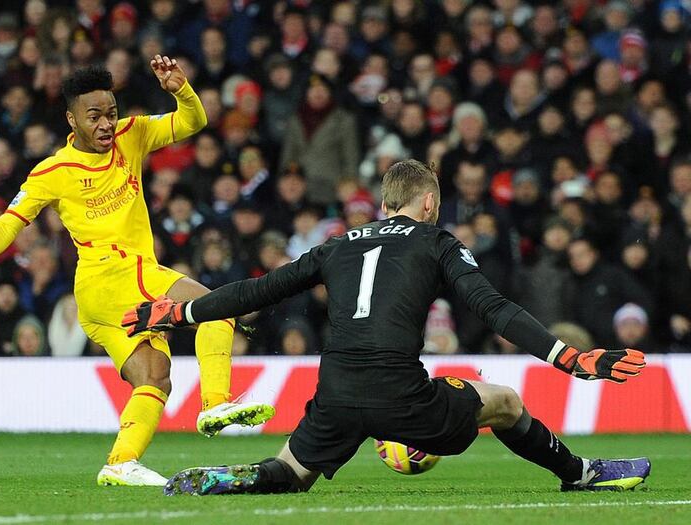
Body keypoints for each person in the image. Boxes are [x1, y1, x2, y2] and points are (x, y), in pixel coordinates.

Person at [123, 160, 650, 496]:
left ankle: (237, 478)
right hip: (400, 393)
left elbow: (259, 289)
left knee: (289, 472)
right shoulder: (436, 240)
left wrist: (180, 313)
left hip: (335, 392)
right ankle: (579, 473)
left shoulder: (338, 243)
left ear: (382, 206)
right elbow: (494, 308)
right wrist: (569, 356)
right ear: (428, 204)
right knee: (506, 401)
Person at [0, 58, 274, 487]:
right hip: (110, 275)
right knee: (215, 309)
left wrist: (180, 89)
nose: (107, 124)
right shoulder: (53, 171)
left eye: (111, 113)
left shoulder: (133, 134)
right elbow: (7, 223)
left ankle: (120, 462)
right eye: (95, 117)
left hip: (108, 295)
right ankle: (215, 403)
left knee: (154, 377)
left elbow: (193, 121)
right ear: (72, 119)